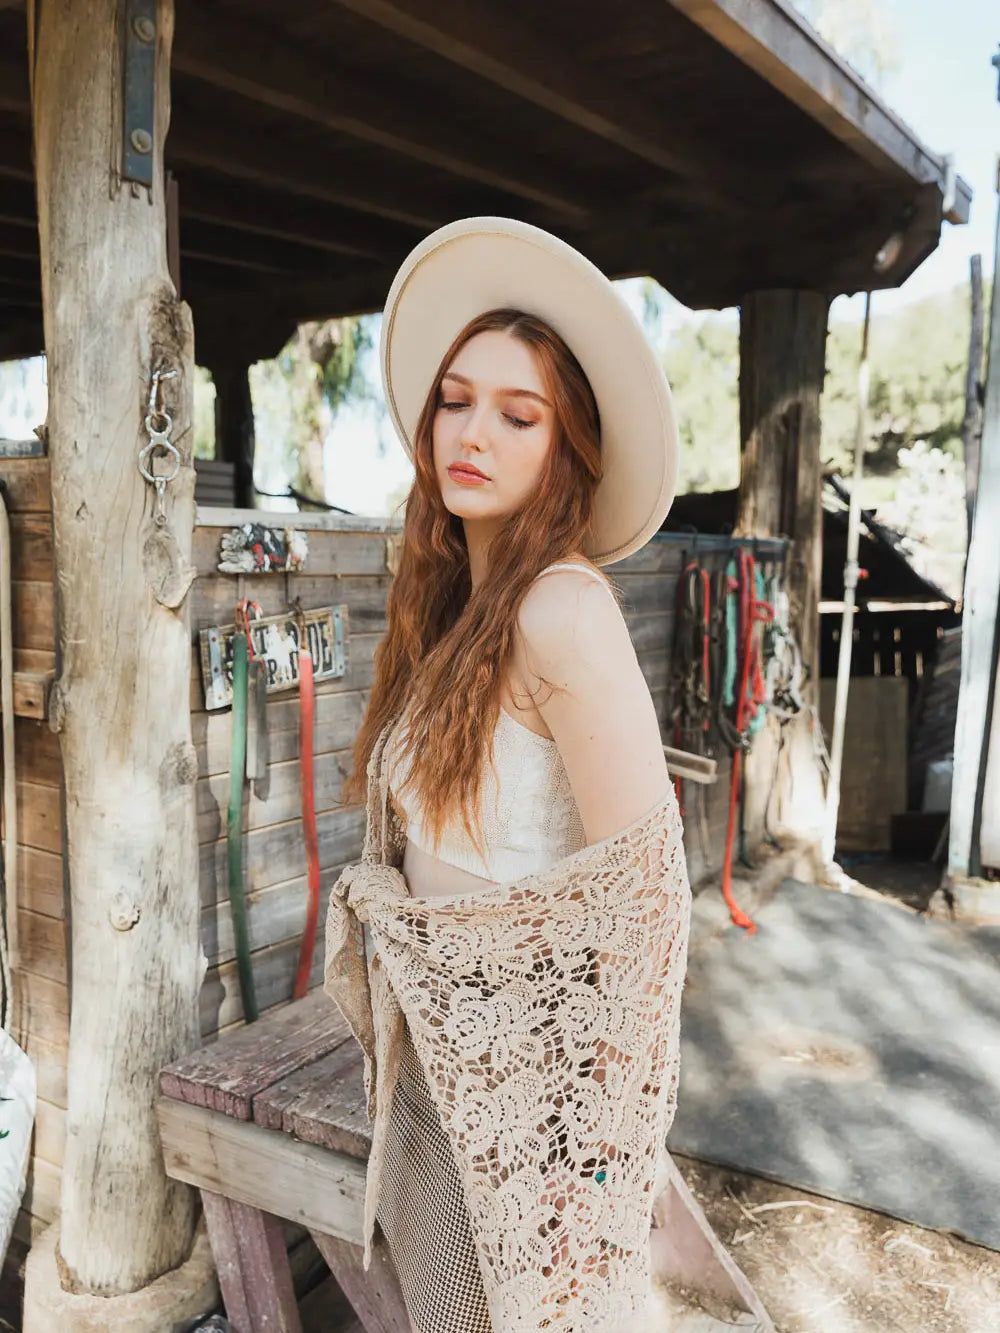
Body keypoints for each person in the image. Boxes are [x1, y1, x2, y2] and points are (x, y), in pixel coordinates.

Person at [331, 217, 690, 1333]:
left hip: (539, 1093)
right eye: (455, 401)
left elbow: (643, 910)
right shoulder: (454, 611)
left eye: (517, 415)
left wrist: (601, 1163)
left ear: (565, 448)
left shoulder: (561, 610)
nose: (473, 432)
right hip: (449, 1073)